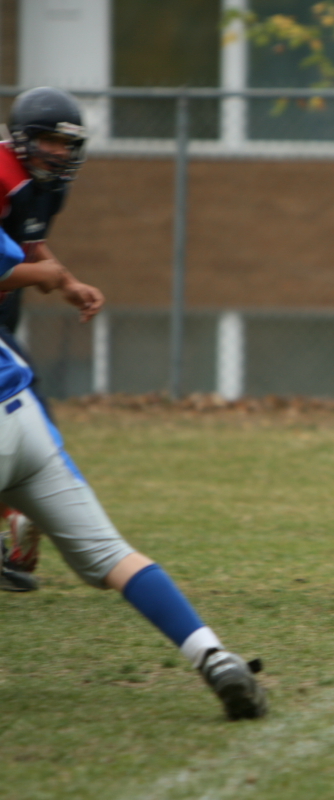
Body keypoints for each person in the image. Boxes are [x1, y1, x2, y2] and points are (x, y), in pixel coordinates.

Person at [0, 214, 267, 717]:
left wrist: (48, 275)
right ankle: (213, 657)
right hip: (24, 416)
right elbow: (11, 266)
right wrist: (53, 275)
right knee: (113, 555)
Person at [0, 87, 105, 592]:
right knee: (28, 407)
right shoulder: (3, 176)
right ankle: (22, 509)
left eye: (67, 144)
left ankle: (16, 515)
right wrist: (39, 275)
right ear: (22, 140)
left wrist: (68, 284)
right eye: (49, 141)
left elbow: (30, 244)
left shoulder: (44, 187)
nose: (60, 153)